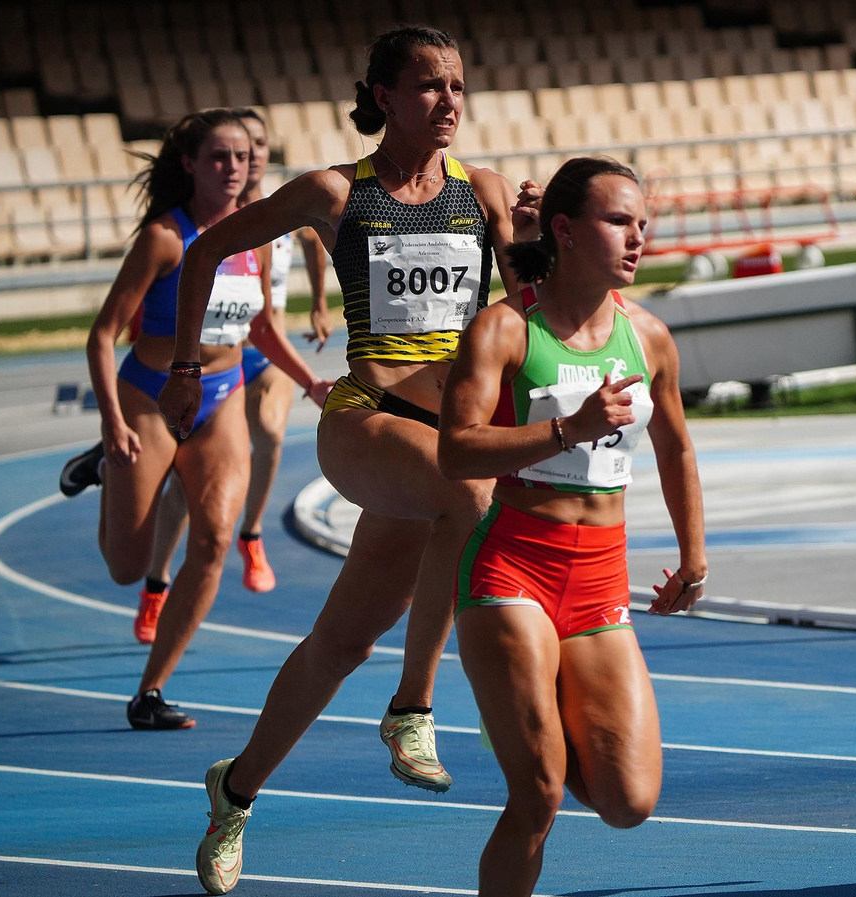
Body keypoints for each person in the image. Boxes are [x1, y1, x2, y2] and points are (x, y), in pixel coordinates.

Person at [153, 26, 539, 895]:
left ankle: (236, 789)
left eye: (459, 87)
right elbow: (208, 250)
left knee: (336, 643)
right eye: (431, 85)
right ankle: (414, 706)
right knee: (467, 499)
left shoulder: (478, 192)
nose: (449, 102)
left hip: (443, 431)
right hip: (367, 416)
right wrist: (183, 365)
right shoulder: (334, 191)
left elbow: (526, 311)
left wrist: (526, 243)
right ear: (384, 96)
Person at [438, 155, 708, 897]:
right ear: (564, 228)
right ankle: (534, 747)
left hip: (599, 581)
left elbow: (676, 444)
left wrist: (694, 557)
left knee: (629, 801)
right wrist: (569, 429)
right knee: (540, 797)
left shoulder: (648, 335)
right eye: (618, 221)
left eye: (643, 224)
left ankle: (541, 723)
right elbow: (455, 447)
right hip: (512, 569)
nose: (637, 238)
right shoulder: (504, 329)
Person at [56, 109, 330, 729]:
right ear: (190, 165)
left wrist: (308, 380)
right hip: (149, 399)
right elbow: (102, 337)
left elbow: (261, 327)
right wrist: (111, 425)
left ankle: (150, 692)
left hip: (222, 394)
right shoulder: (163, 238)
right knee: (127, 567)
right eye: (217, 158)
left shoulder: (251, 237)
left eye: (241, 158)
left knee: (211, 543)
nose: (233, 169)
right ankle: (105, 466)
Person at [139, 108, 331, 626]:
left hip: (257, 341)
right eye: (239, 149)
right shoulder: (204, 220)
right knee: (183, 485)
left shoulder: (283, 210)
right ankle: (156, 578)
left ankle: (250, 532)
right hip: (197, 354)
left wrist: (317, 302)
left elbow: (314, 240)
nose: (252, 157)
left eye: (258, 147)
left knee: (268, 431)